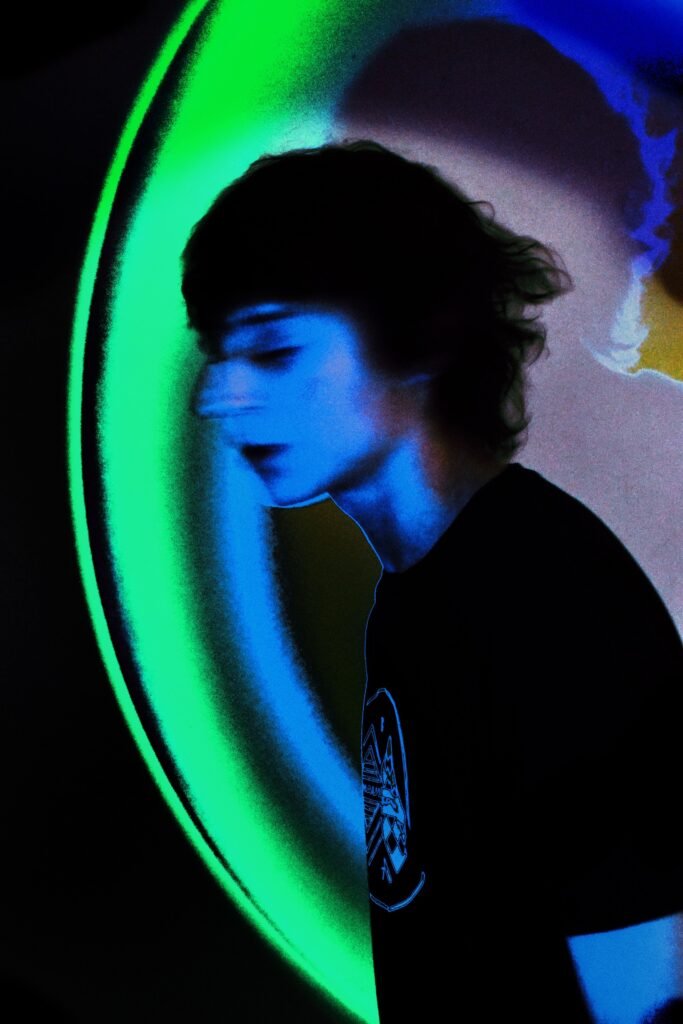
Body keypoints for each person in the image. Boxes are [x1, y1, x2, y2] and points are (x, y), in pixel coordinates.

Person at [181, 141, 683, 1023]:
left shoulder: (546, 602)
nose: (219, 397)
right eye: (218, 355)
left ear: (418, 337)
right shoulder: (416, 602)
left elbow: (649, 995)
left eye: (274, 349)